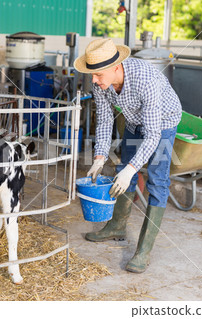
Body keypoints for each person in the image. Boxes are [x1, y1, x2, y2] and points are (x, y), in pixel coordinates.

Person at [74, 39, 182, 273]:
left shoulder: (146, 80)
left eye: (97, 74)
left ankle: (144, 249)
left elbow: (153, 134)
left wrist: (133, 168)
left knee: (157, 180)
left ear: (116, 68)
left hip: (162, 124)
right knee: (123, 169)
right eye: (91, 74)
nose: (93, 79)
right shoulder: (101, 82)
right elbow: (104, 120)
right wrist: (99, 157)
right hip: (133, 120)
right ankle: (117, 226)